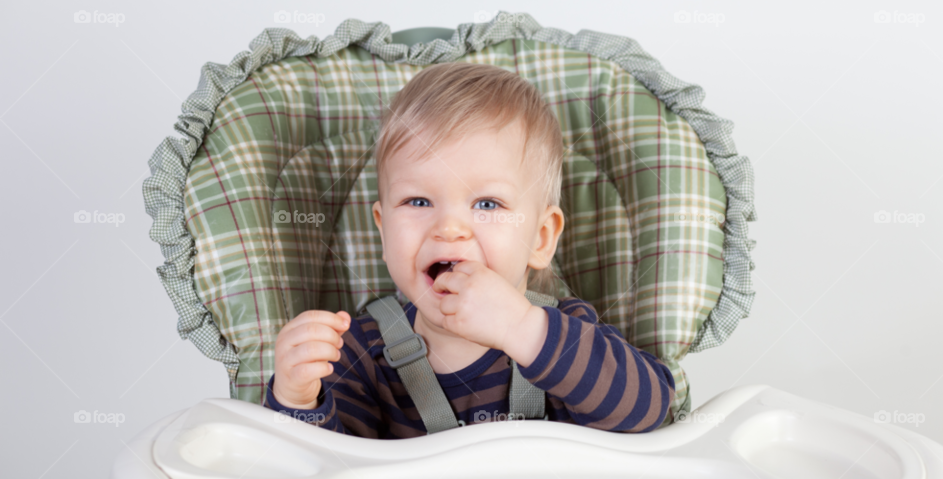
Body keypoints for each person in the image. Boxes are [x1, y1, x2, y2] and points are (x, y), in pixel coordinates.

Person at [261, 61, 675, 437]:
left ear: (541, 237)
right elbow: (321, 473)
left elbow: (649, 409)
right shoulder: (357, 354)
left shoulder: (562, 334)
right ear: (384, 232)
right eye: (419, 202)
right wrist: (298, 400)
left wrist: (524, 331)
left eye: (487, 204)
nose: (450, 228)